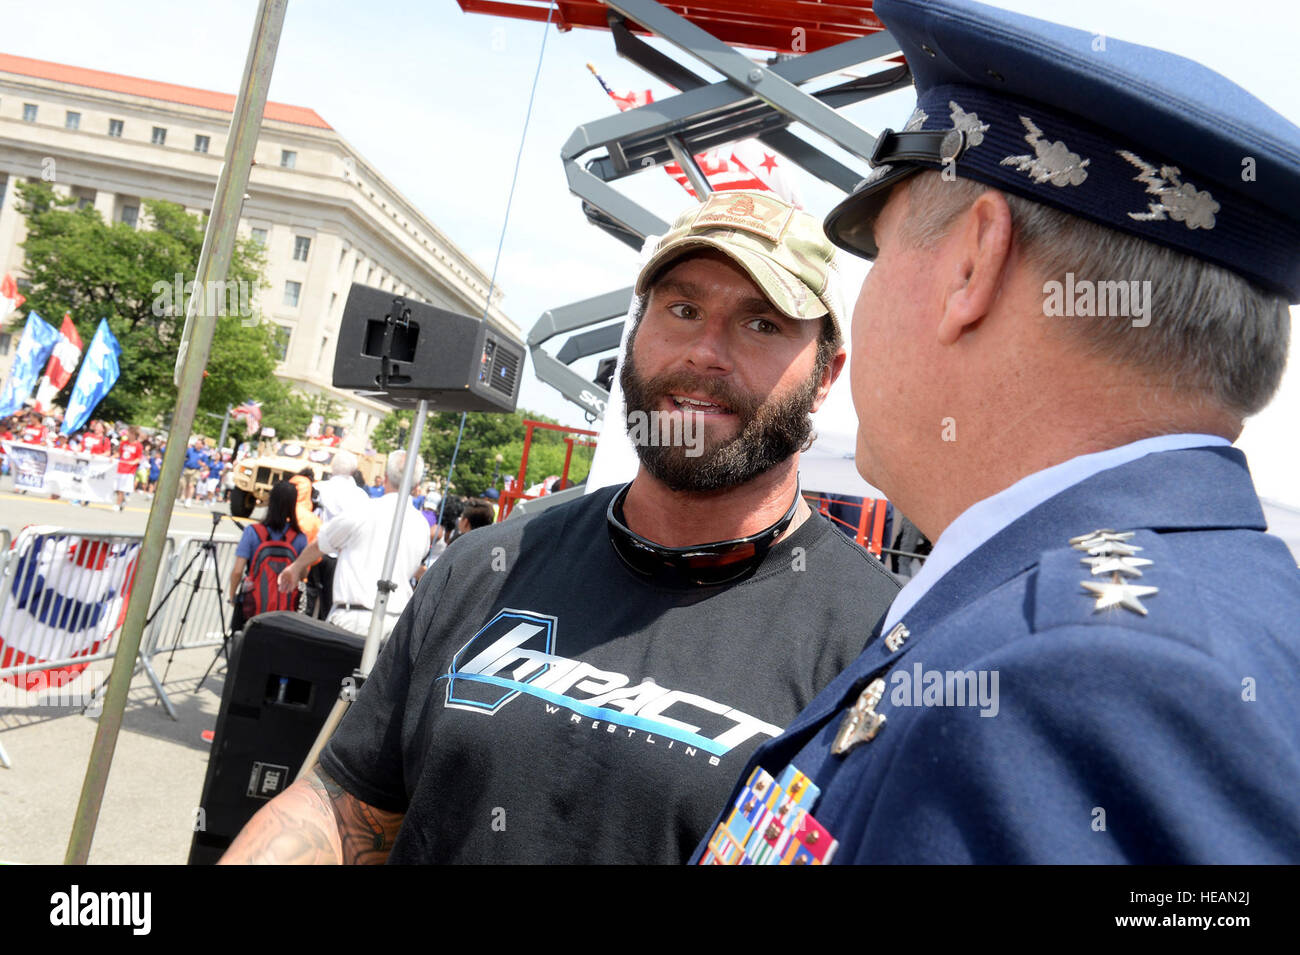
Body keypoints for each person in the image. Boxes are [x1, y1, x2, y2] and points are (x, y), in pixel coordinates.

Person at [691, 0, 1300, 866]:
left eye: (882, 249)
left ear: (974, 262)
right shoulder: (1181, 616)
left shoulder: (1082, 674)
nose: (860, 308)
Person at [220, 189, 902, 864]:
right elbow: (344, 808)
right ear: (637, 331)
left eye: (761, 324)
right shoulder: (485, 565)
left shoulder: (880, 645)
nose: (705, 352)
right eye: (683, 308)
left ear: (824, 375)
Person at [272, 449, 430, 640]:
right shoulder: (421, 525)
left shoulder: (365, 510)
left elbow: (321, 542)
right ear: (416, 485)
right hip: (394, 624)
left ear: (386, 477)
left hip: (352, 618)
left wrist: (296, 567)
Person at [227, 480, 308, 633]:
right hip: (285, 609)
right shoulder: (299, 538)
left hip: (254, 605)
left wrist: (233, 596)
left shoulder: (253, 532)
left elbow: (238, 570)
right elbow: (304, 573)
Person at [114, 426, 143, 512]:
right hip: (120, 467)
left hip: (129, 470)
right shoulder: (123, 443)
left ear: (134, 434)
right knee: (116, 488)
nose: (128, 434)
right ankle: (122, 500)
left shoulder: (138, 445)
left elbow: (138, 458)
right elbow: (119, 454)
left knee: (122, 488)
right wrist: (113, 457)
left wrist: (133, 462)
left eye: (130, 433)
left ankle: (117, 504)